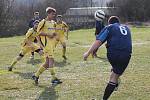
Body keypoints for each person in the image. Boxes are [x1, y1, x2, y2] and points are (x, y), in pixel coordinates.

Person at [83, 16, 132, 100]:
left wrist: (88, 52)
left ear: (110, 23)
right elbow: (123, 41)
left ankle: (112, 86)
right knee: (116, 73)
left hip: (113, 54)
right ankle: (115, 82)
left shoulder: (110, 27)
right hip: (127, 54)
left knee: (113, 77)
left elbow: (99, 41)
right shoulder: (127, 28)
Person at [32, 7, 62, 85]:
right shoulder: (43, 22)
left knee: (47, 63)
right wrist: (41, 44)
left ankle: (36, 75)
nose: (53, 15)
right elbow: (38, 33)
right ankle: (53, 79)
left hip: (51, 45)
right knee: (51, 60)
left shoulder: (53, 22)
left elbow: (54, 32)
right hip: (46, 45)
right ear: (48, 14)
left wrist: (55, 35)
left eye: (54, 14)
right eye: (52, 14)